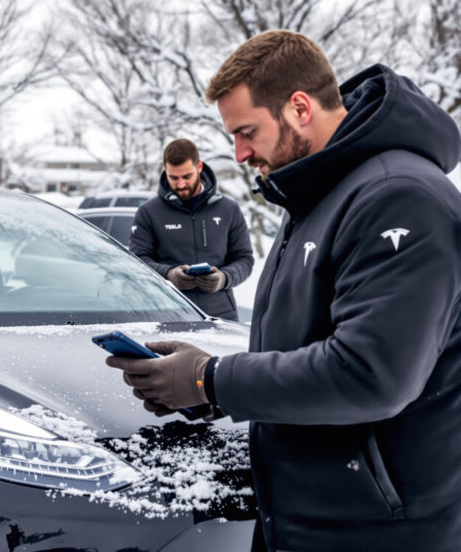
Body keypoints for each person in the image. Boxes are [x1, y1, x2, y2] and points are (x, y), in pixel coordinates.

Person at [106, 30, 461, 551]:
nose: (239, 153)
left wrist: (212, 380)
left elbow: (371, 374)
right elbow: (303, 347)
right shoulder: (321, 197)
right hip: (307, 520)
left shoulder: (398, 198)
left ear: (299, 107)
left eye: (247, 131)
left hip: (378, 532)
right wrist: (207, 387)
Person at [128, 138, 254, 321]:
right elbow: (137, 261)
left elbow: (244, 259)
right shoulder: (148, 212)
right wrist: (169, 275)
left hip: (221, 316)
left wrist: (224, 278)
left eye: (187, 176)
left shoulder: (229, 209)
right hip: (168, 315)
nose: (180, 184)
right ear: (165, 172)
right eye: (174, 177)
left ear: (199, 167)